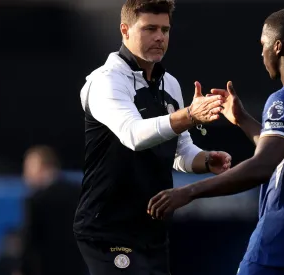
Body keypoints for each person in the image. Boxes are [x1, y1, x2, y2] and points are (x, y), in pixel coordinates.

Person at [148, 7, 284, 275]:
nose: (261, 53)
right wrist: (242, 118)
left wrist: (189, 192)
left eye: (263, 44)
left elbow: (262, 166)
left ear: (277, 47)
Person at [73, 0, 232, 274]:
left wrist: (205, 160)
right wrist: (189, 115)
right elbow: (133, 134)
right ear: (125, 30)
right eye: (149, 28)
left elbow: (179, 152)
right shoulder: (106, 80)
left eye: (165, 29)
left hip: (152, 231)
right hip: (108, 230)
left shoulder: (169, 84)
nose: (159, 37)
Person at [21, 145, 86, 275]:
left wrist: (24, 269)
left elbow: (31, 243)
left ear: (43, 166)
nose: (26, 173)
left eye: (29, 167)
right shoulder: (79, 191)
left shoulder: (36, 200)